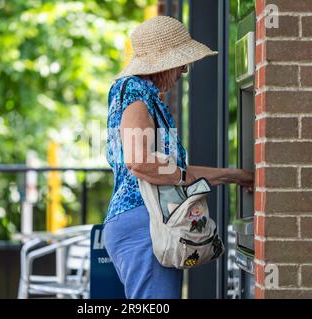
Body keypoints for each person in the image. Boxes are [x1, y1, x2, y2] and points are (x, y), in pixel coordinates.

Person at [103, 16, 254, 299]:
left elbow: (173, 169)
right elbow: (140, 162)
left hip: (147, 223)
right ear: (163, 64)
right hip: (144, 225)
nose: (184, 71)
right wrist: (183, 178)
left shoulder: (143, 96)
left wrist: (235, 176)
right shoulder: (135, 94)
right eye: (181, 63)